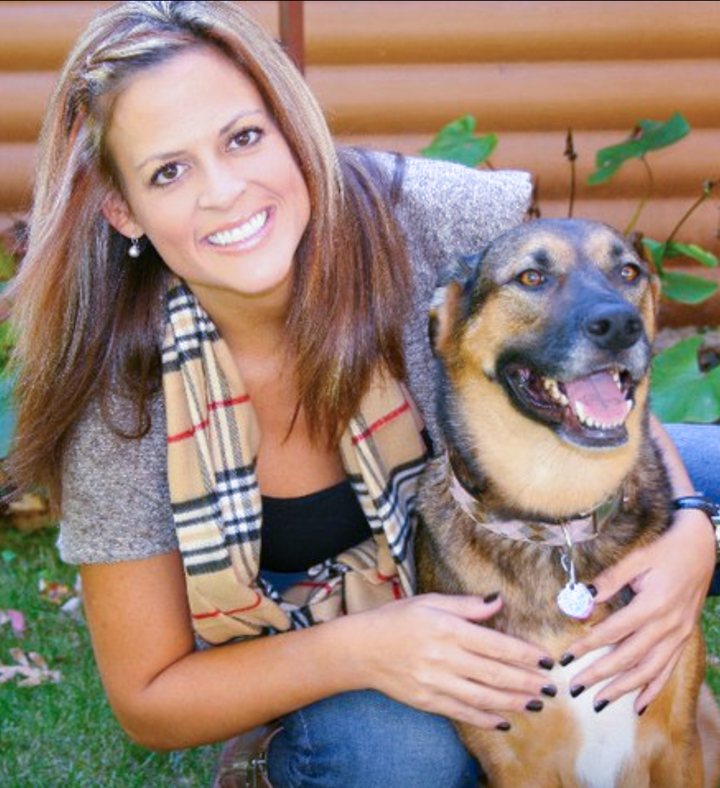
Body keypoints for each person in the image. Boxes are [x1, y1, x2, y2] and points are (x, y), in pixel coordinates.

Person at [7, 2, 719, 786]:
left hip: (493, 495)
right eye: (168, 172)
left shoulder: (416, 213)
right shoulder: (120, 396)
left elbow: (581, 345)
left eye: (243, 137)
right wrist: (364, 649)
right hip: (322, 637)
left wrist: (691, 526)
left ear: (289, 128)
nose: (225, 192)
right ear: (123, 210)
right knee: (396, 751)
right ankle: (288, 760)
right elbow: (148, 700)